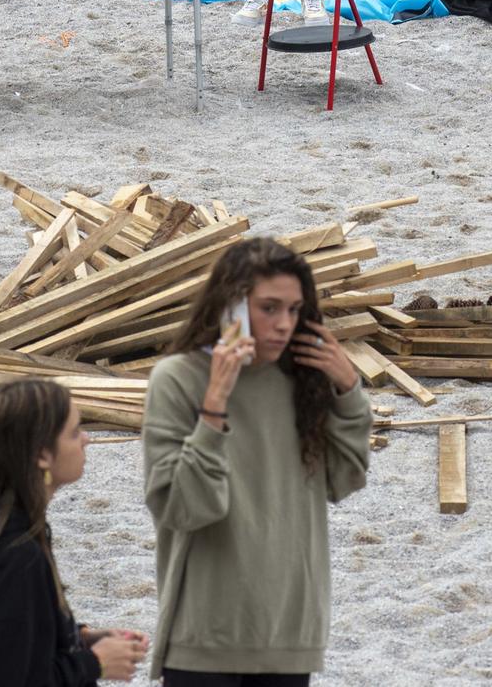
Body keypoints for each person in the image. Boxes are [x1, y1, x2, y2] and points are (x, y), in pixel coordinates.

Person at [142, 237, 373, 683]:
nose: (284, 324)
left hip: (290, 635)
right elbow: (181, 507)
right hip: (204, 638)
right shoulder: (178, 380)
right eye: (269, 308)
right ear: (230, 307)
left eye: (294, 309)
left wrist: (348, 391)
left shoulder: (304, 380)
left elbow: (344, 480)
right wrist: (214, 406)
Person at [0, 378, 151, 685]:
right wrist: (94, 663)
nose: (87, 439)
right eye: (73, 432)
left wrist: (79, 638)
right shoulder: (16, 555)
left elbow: (10, 645)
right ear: (42, 454)